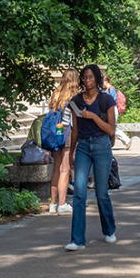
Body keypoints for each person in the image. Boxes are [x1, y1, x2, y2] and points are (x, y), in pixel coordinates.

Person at [66, 64, 118, 251]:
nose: (87, 81)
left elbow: (111, 129)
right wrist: (72, 152)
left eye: (90, 77)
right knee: (79, 192)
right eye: (84, 78)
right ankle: (77, 240)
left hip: (102, 145)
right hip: (83, 146)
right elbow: (75, 130)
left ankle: (109, 229)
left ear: (97, 78)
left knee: (101, 192)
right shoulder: (76, 101)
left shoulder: (106, 100)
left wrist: (94, 117)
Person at [47, 69, 79, 215]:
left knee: (56, 169)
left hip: (55, 132)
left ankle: (52, 204)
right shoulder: (74, 97)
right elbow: (77, 119)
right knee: (65, 170)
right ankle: (62, 204)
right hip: (67, 132)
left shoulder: (56, 95)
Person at [103, 75, 133, 150]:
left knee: (112, 127)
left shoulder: (111, 89)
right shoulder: (107, 89)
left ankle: (127, 140)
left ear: (106, 81)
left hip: (112, 109)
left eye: (102, 82)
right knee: (111, 127)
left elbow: (112, 101)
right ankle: (125, 140)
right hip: (111, 109)